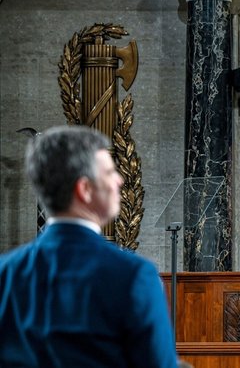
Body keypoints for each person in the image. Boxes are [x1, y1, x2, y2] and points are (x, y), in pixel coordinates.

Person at [0, 126, 178, 367]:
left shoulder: (5, 273)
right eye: (109, 172)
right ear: (84, 189)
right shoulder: (134, 276)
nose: (120, 179)